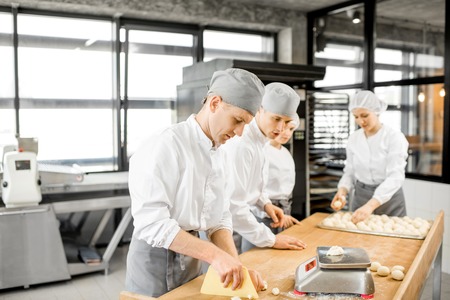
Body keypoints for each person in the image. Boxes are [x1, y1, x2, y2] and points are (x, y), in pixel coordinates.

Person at [125, 68, 267, 297]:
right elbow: (152, 223)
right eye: (237, 120)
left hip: (192, 257)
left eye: (246, 125)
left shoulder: (221, 154)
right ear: (214, 103)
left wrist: (237, 266)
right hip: (155, 259)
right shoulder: (166, 145)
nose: (240, 133)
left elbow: (219, 218)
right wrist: (215, 256)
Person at [222, 82, 307, 253]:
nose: (281, 128)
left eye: (288, 122)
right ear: (259, 109)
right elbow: (234, 205)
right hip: (228, 228)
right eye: (276, 119)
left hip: (241, 223)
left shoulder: (260, 142)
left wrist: (265, 204)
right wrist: (271, 239)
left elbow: (253, 185)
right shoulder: (242, 144)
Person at [330, 90, 409, 224]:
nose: (360, 121)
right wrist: (342, 191)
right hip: (361, 195)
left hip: (390, 198)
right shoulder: (354, 139)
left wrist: (371, 205)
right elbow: (349, 171)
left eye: (365, 115)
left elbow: (395, 176)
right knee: (358, 239)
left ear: (377, 111)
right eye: (356, 116)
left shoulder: (394, 137)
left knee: (393, 241)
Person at [262, 115, 301, 233]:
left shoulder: (285, 153)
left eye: (291, 129)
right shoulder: (263, 150)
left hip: (285, 209)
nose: (287, 134)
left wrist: (285, 212)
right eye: (284, 128)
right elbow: (254, 191)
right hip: (265, 211)